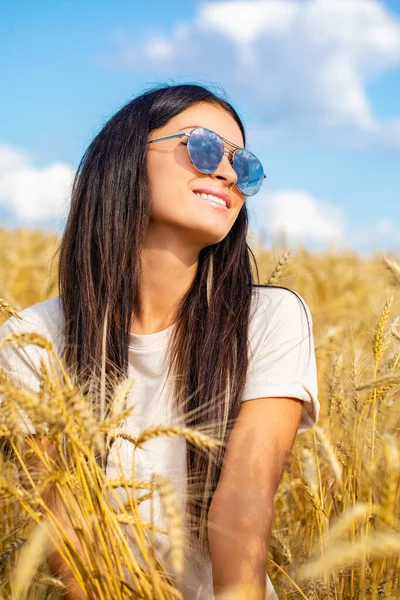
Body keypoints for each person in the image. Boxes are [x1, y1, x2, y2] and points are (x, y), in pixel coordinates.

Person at [0, 82, 319, 599]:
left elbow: (243, 508)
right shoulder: (31, 341)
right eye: (204, 148)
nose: (227, 173)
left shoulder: (270, 318)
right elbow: (70, 543)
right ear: (127, 160)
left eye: (246, 166)